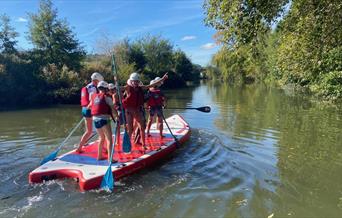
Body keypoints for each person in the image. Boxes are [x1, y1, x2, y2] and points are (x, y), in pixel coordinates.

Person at [121, 72, 168, 149]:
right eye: (134, 81)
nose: (135, 83)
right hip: (129, 111)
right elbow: (120, 88)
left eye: (137, 81)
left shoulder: (141, 88)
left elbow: (151, 85)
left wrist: (162, 79)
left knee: (142, 127)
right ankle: (127, 145)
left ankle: (143, 145)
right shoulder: (128, 87)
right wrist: (114, 86)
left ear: (138, 82)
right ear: (131, 81)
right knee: (131, 129)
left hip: (137, 110)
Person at [88, 81, 118, 161]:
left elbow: (89, 106)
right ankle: (110, 158)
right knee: (109, 139)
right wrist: (117, 117)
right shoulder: (107, 98)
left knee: (101, 137)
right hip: (104, 119)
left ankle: (99, 156)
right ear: (105, 89)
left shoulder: (94, 97)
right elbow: (113, 109)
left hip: (95, 119)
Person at [76, 72, 103, 153]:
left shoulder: (87, 86)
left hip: (84, 109)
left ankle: (79, 147)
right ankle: (102, 148)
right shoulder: (93, 88)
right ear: (96, 80)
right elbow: (93, 99)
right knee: (100, 129)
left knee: (89, 131)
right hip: (90, 109)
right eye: (99, 81)